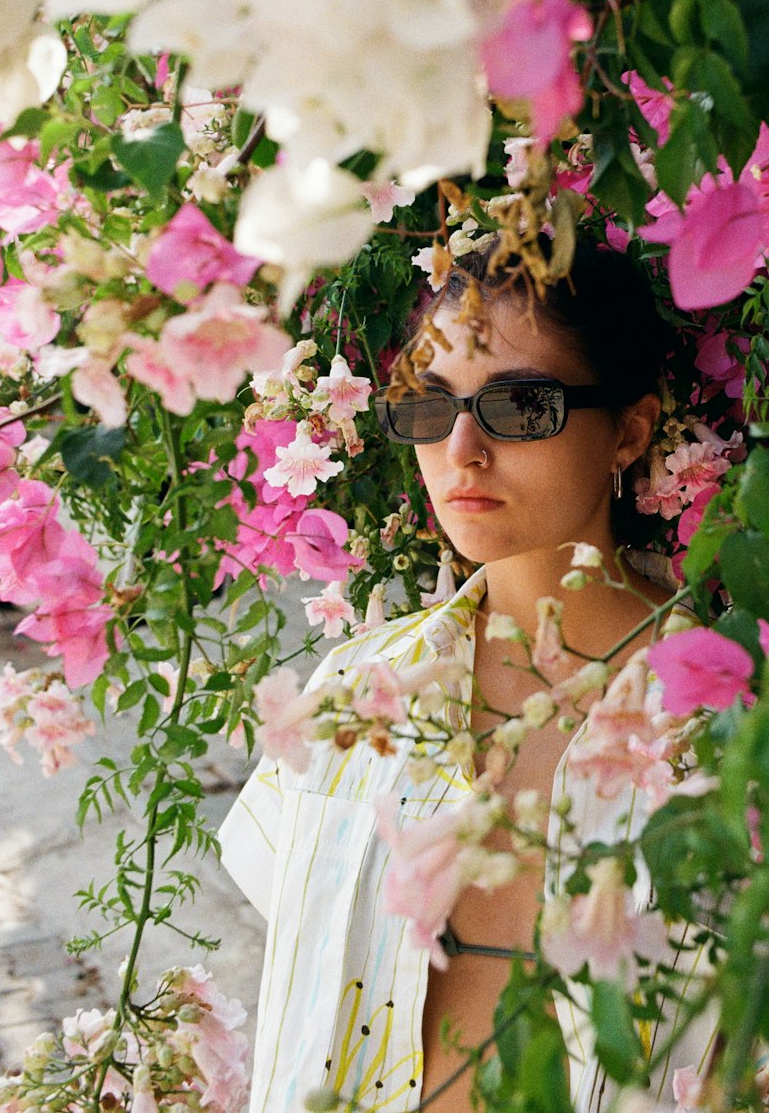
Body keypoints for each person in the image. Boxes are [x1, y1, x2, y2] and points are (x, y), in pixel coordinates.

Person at [218, 238, 717, 1113]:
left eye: (521, 405)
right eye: (427, 406)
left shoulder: (730, 719)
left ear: (630, 431)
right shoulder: (355, 686)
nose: (462, 448)